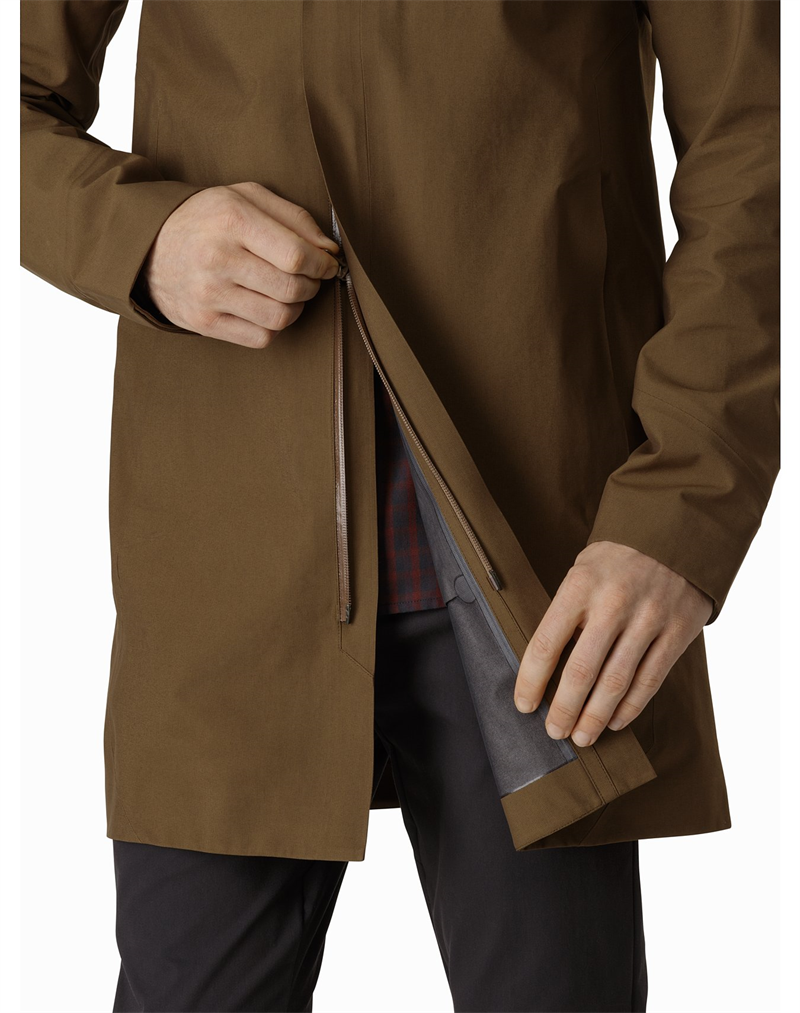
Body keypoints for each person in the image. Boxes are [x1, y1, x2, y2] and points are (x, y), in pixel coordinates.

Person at [20, 2, 779, 1011]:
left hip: (540, 560)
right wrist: (140, 235)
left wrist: (685, 508)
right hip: (228, 540)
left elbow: (748, 144)